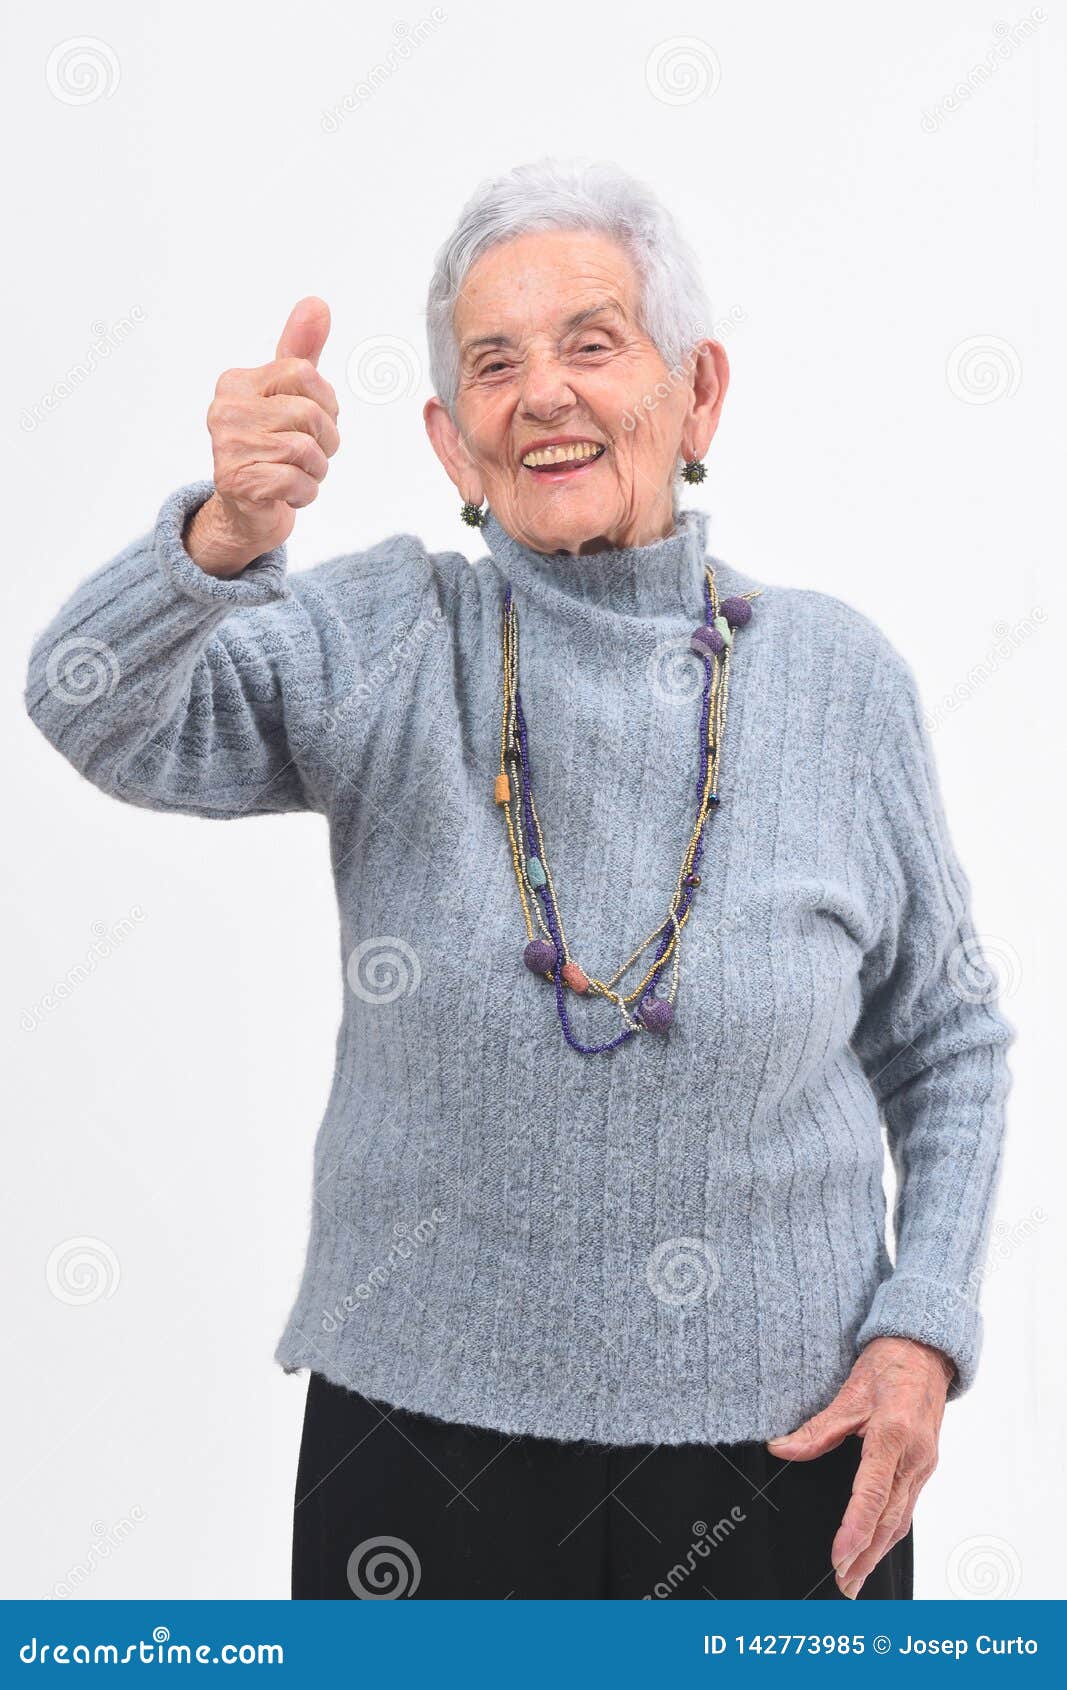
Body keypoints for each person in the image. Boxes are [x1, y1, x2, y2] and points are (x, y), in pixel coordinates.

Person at [25, 158, 1015, 1600]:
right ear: (449, 439)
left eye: (591, 343)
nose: (543, 392)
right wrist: (220, 541)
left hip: (789, 1451)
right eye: (495, 364)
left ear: (699, 395)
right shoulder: (386, 633)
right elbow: (86, 701)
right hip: (420, 1453)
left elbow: (948, 1041)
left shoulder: (836, 677)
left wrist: (921, 1331)